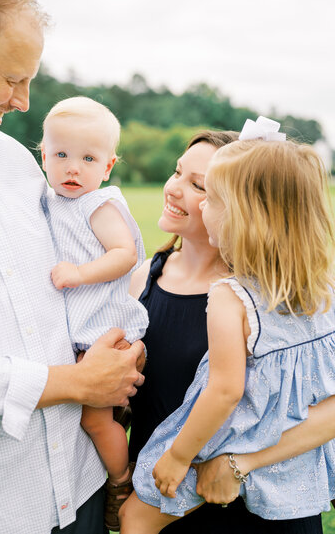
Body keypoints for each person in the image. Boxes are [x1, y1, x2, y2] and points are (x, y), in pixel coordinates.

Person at [0, 0, 144, 534]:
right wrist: (74, 384)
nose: (25, 103)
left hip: (78, 487)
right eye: (13, 79)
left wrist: (117, 345)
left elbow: (64, 278)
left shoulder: (14, 161)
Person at [126, 124, 334, 533]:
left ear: (248, 212)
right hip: (185, 489)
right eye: (176, 171)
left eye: (203, 188)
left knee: (136, 520)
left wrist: (226, 462)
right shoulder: (143, 279)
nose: (177, 190)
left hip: (235, 490)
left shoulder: (240, 297)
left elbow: (227, 389)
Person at [41, 96, 148, 529]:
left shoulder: (97, 205)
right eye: (61, 155)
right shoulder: (50, 201)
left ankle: (121, 481)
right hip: (82, 335)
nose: (72, 168)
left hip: (107, 331)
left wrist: (80, 273)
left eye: (88, 158)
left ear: (107, 167)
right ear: (43, 155)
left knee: (94, 417)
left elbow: (124, 255)